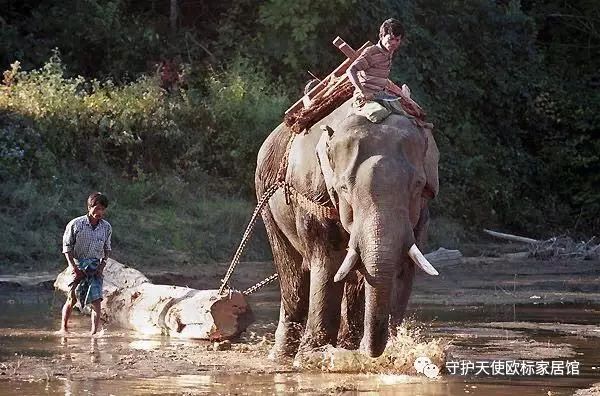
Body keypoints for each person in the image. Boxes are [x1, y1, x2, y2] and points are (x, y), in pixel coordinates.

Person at [346, 18, 431, 127]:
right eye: (391, 39)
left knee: (408, 114)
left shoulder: (388, 53)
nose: (394, 43)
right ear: (382, 36)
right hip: (365, 98)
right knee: (379, 114)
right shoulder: (371, 53)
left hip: (380, 95)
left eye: (397, 40)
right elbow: (351, 70)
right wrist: (363, 92)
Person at [59, 192, 112, 335]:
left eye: (102, 209)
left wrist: (102, 265)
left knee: (96, 301)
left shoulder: (106, 227)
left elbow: (107, 249)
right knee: (72, 298)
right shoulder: (76, 224)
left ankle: (94, 332)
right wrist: (73, 267)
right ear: (89, 207)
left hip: (95, 267)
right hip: (78, 264)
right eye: (97, 208)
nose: (99, 212)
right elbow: (67, 248)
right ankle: (64, 328)